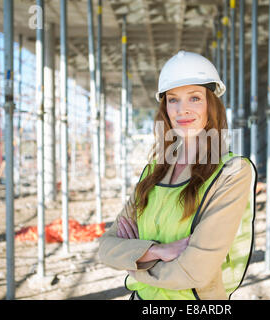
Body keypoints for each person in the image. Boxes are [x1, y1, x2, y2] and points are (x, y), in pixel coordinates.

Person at [98, 51, 257, 300]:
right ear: (165, 108)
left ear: (211, 105)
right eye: (173, 100)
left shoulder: (231, 173)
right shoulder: (153, 171)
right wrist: (157, 251)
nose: (182, 110)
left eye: (194, 98)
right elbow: (105, 247)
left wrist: (135, 261)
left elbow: (195, 270)